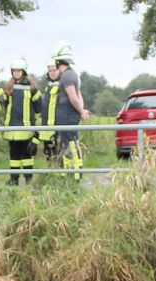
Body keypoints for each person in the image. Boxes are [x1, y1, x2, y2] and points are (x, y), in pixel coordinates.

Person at [53, 42, 90, 182]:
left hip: (67, 115)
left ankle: (74, 176)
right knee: (68, 145)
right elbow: (79, 96)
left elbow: (73, 98)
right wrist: (82, 111)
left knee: (70, 146)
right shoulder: (73, 75)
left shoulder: (67, 76)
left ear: (58, 61)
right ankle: (68, 174)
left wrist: (81, 110)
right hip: (70, 115)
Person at [3, 57, 41, 185]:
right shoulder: (8, 87)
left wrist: (36, 131)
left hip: (26, 129)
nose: (17, 73)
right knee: (14, 156)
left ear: (24, 71)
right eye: (15, 71)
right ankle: (14, 179)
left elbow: (38, 108)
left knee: (27, 156)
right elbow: (5, 106)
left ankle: (28, 179)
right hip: (11, 128)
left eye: (19, 71)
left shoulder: (32, 88)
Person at [39, 60, 62, 165]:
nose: (52, 72)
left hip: (59, 126)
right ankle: (51, 175)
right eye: (50, 70)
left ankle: (60, 177)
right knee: (48, 154)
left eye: (54, 70)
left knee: (60, 154)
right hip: (47, 127)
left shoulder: (63, 85)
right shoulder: (48, 86)